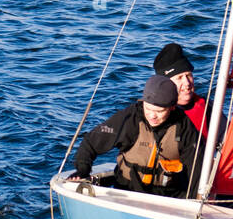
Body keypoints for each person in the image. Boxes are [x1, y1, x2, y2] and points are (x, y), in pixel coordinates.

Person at [71, 74, 202, 197]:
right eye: (148, 109)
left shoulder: (185, 127)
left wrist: (192, 201)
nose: (152, 116)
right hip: (128, 192)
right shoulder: (129, 119)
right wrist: (82, 170)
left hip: (169, 196)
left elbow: (195, 168)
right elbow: (91, 142)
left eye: (159, 111)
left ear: (172, 107)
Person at [153, 42, 226, 148]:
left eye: (188, 75)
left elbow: (227, 138)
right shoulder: (152, 113)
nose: (187, 82)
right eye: (179, 77)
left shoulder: (207, 107)